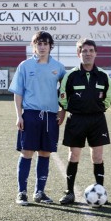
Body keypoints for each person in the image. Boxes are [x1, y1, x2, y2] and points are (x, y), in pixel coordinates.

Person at [8, 31, 66, 206]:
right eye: (39, 44)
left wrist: (62, 111)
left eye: (45, 44)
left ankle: (39, 192)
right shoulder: (24, 66)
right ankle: (22, 192)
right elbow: (18, 93)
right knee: (27, 153)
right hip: (31, 115)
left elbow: (64, 93)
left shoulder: (59, 67)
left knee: (45, 153)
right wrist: (19, 116)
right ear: (34, 46)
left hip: (50, 116)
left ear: (50, 46)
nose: (42, 47)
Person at [58, 38, 111, 204]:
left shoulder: (103, 76)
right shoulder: (71, 76)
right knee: (74, 154)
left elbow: (109, 98)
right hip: (76, 119)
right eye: (84, 51)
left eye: (90, 51)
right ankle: (69, 192)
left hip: (97, 120)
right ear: (78, 54)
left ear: (96, 53)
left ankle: (100, 192)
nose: (87, 54)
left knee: (97, 156)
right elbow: (63, 97)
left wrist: (96, 109)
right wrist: (75, 110)